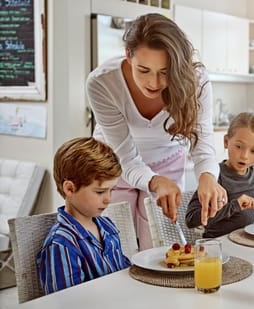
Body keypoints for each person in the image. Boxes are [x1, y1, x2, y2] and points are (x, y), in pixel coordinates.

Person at [86, 13, 227, 250]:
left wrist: (208, 177)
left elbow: (203, 144)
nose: (154, 83)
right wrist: (153, 181)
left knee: (162, 247)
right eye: (143, 70)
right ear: (128, 54)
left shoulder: (197, 81)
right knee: (116, 245)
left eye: (165, 72)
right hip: (112, 165)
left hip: (166, 160)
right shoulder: (102, 83)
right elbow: (127, 159)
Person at [37, 137, 131, 295]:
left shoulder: (108, 226)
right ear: (70, 189)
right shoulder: (61, 245)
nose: (108, 199)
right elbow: (66, 305)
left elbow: (124, 272)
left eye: (112, 190)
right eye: (100, 192)